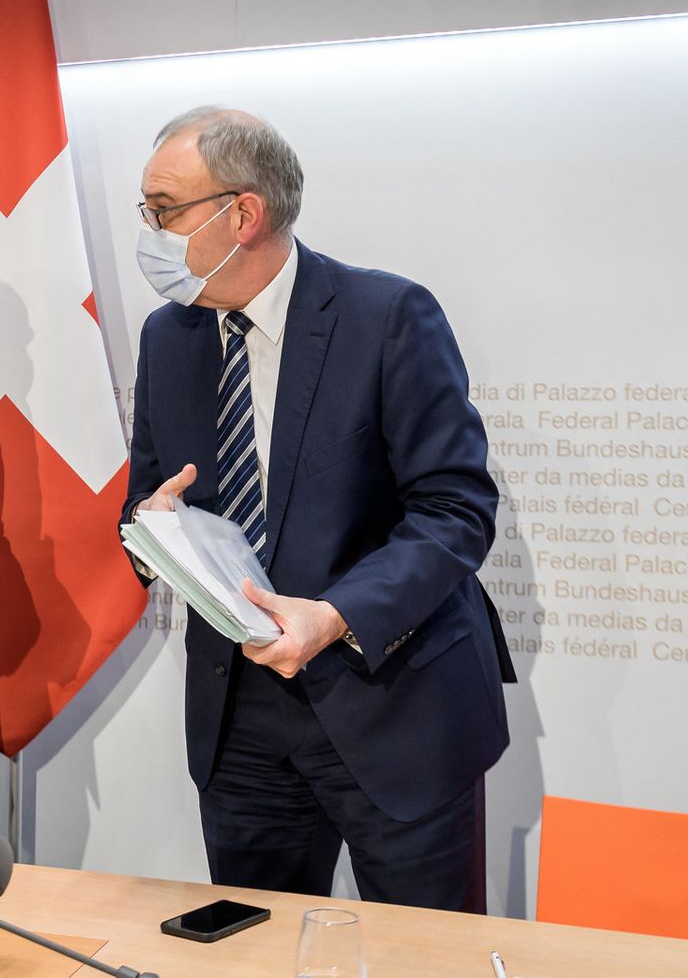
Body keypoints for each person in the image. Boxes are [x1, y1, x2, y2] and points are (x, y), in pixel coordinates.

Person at [123, 106, 513, 910]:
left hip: (393, 702)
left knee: (425, 962)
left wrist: (334, 615)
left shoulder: (388, 317)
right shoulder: (169, 336)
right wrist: (152, 533)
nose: (150, 231)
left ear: (243, 214)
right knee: (251, 954)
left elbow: (455, 508)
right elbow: (147, 501)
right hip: (243, 725)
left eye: (163, 210)